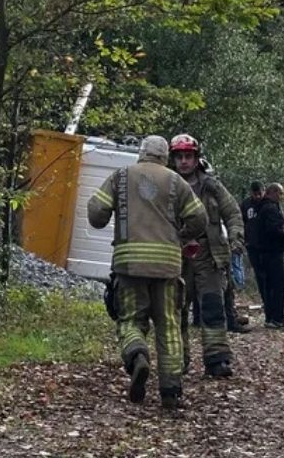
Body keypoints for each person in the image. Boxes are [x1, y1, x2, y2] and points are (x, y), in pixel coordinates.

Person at [88, 135, 207, 409]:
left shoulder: (120, 177)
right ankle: (171, 390)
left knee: (130, 319)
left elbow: (96, 212)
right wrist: (180, 235)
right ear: (165, 155)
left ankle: (137, 354)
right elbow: (199, 219)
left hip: (129, 264)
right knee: (168, 325)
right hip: (166, 264)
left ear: (140, 153)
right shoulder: (177, 181)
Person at [168, 134, 243, 377]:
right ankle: (178, 359)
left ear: (196, 158)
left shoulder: (211, 186)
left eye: (188, 156)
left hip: (208, 254)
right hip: (176, 255)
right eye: (179, 157)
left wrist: (236, 238)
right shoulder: (166, 185)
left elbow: (232, 212)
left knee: (212, 307)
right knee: (175, 309)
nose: (183, 162)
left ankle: (216, 359)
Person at [248, 182, 284, 327]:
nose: (281, 196)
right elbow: (273, 230)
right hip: (272, 252)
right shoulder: (270, 208)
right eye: (279, 193)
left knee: (269, 285)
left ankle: (271, 317)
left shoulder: (262, 207)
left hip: (264, 252)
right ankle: (276, 318)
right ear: (272, 192)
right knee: (277, 286)